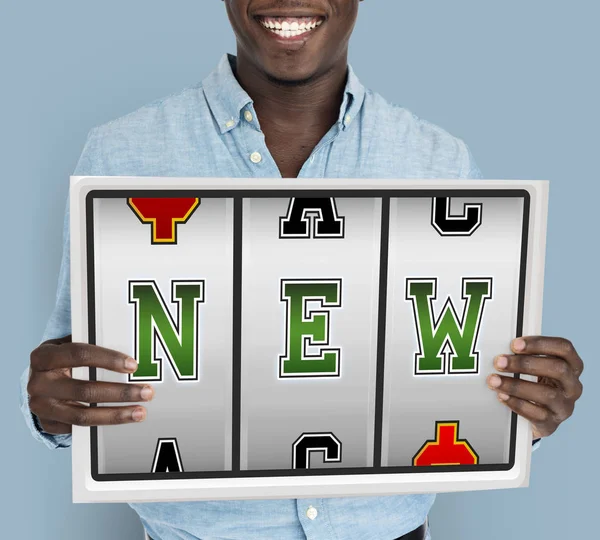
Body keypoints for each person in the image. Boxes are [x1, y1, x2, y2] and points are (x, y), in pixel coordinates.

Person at [21, 1, 584, 539]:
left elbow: (473, 378)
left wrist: (526, 413)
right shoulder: (120, 155)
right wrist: (50, 413)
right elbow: (73, 382)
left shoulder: (441, 163)